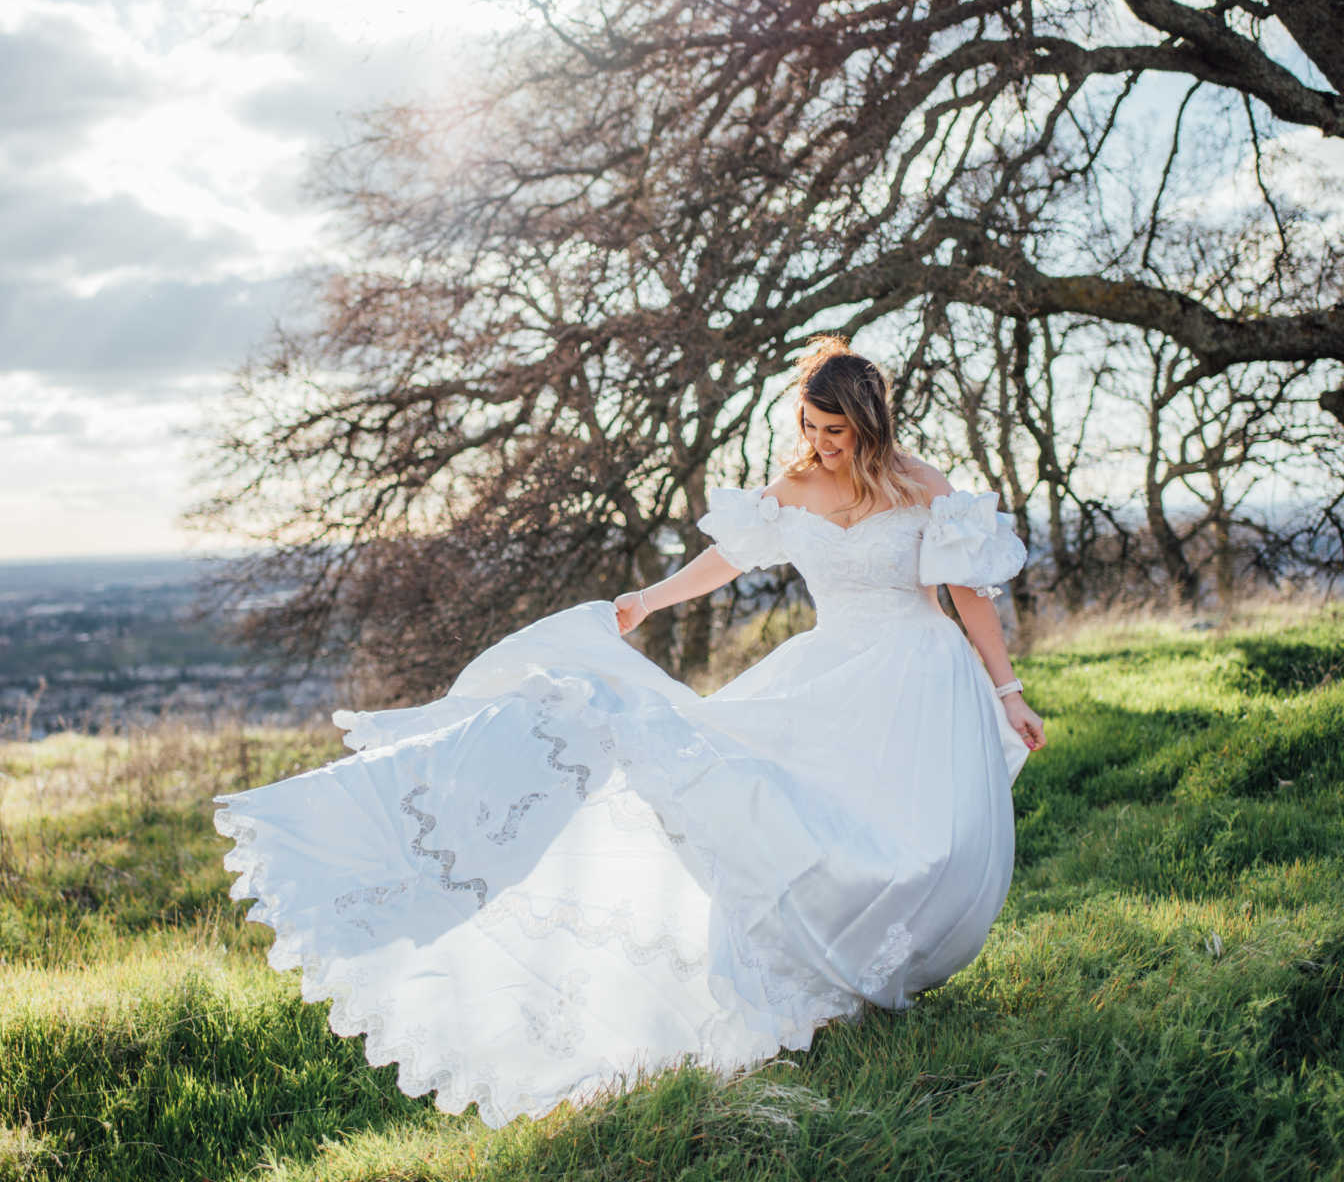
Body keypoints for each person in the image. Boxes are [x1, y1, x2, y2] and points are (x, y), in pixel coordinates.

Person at [211, 336, 1046, 1130]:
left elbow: (970, 596)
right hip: (830, 670)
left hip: (920, 674)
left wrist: (1007, 690)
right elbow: (724, 562)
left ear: (871, 425)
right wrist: (647, 602)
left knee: (927, 841)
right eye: (811, 428)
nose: (823, 445)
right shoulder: (791, 492)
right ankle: (826, 973)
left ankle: (892, 962)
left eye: (837, 432)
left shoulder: (924, 487)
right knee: (773, 804)